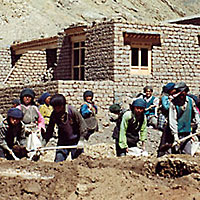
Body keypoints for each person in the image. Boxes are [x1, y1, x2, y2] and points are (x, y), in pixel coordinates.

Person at [43, 94, 88, 162]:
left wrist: (81, 140)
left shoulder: (72, 111)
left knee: (79, 162)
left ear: (62, 106)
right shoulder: (54, 115)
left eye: (56, 107)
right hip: (63, 141)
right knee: (58, 161)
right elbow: (50, 130)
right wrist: (43, 144)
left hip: (75, 141)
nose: (54, 109)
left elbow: (82, 125)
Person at [160, 82, 200, 156]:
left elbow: (196, 114)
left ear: (186, 92)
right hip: (173, 133)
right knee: (171, 155)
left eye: (183, 93)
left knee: (187, 154)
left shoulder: (191, 101)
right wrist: (175, 135)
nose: (181, 96)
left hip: (186, 132)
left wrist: (198, 126)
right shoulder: (173, 103)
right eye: (179, 94)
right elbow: (172, 120)